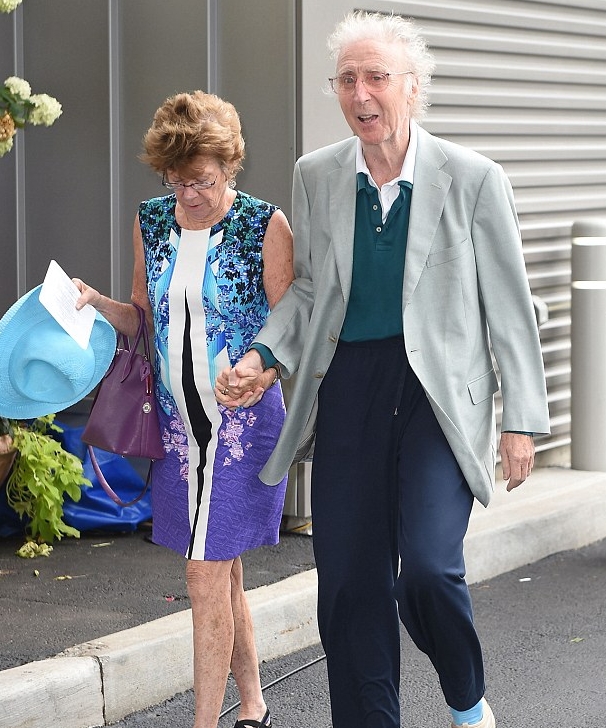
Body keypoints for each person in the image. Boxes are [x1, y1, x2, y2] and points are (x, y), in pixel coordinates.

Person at [218, 11, 550, 728]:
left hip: (437, 396)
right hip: (350, 389)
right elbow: (311, 290)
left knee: (428, 570)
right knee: (348, 583)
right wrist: (263, 356)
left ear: (413, 86)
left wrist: (521, 421)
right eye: (347, 79)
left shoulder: (473, 179)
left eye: (376, 77)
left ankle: (466, 699)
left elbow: (509, 305)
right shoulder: (317, 175)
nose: (360, 93)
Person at [74, 90, 294, 728]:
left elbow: (292, 328)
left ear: (230, 165)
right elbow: (142, 318)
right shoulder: (151, 221)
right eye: (175, 181)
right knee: (222, 573)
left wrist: (261, 370)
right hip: (176, 429)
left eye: (201, 180)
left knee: (204, 572)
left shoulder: (264, 224)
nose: (188, 194)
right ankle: (252, 705)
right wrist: (95, 302)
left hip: (242, 426)